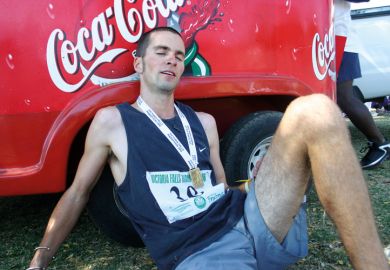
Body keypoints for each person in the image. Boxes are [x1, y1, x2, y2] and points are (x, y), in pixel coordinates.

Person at [28, 27, 388, 270]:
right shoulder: (113, 122)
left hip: (250, 217)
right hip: (200, 253)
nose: (172, 59)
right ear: (139, 63)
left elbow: (218, 189)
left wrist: (255, 184)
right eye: (161, 52)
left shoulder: (203, 122)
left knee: (317, 110)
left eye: (179, 54)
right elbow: (77, 195)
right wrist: (40, 259)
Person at [335, 0, 390, 169]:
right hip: (319, 38)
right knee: (329, 98)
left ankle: (380, 144)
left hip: (340, 39)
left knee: (343, 97)